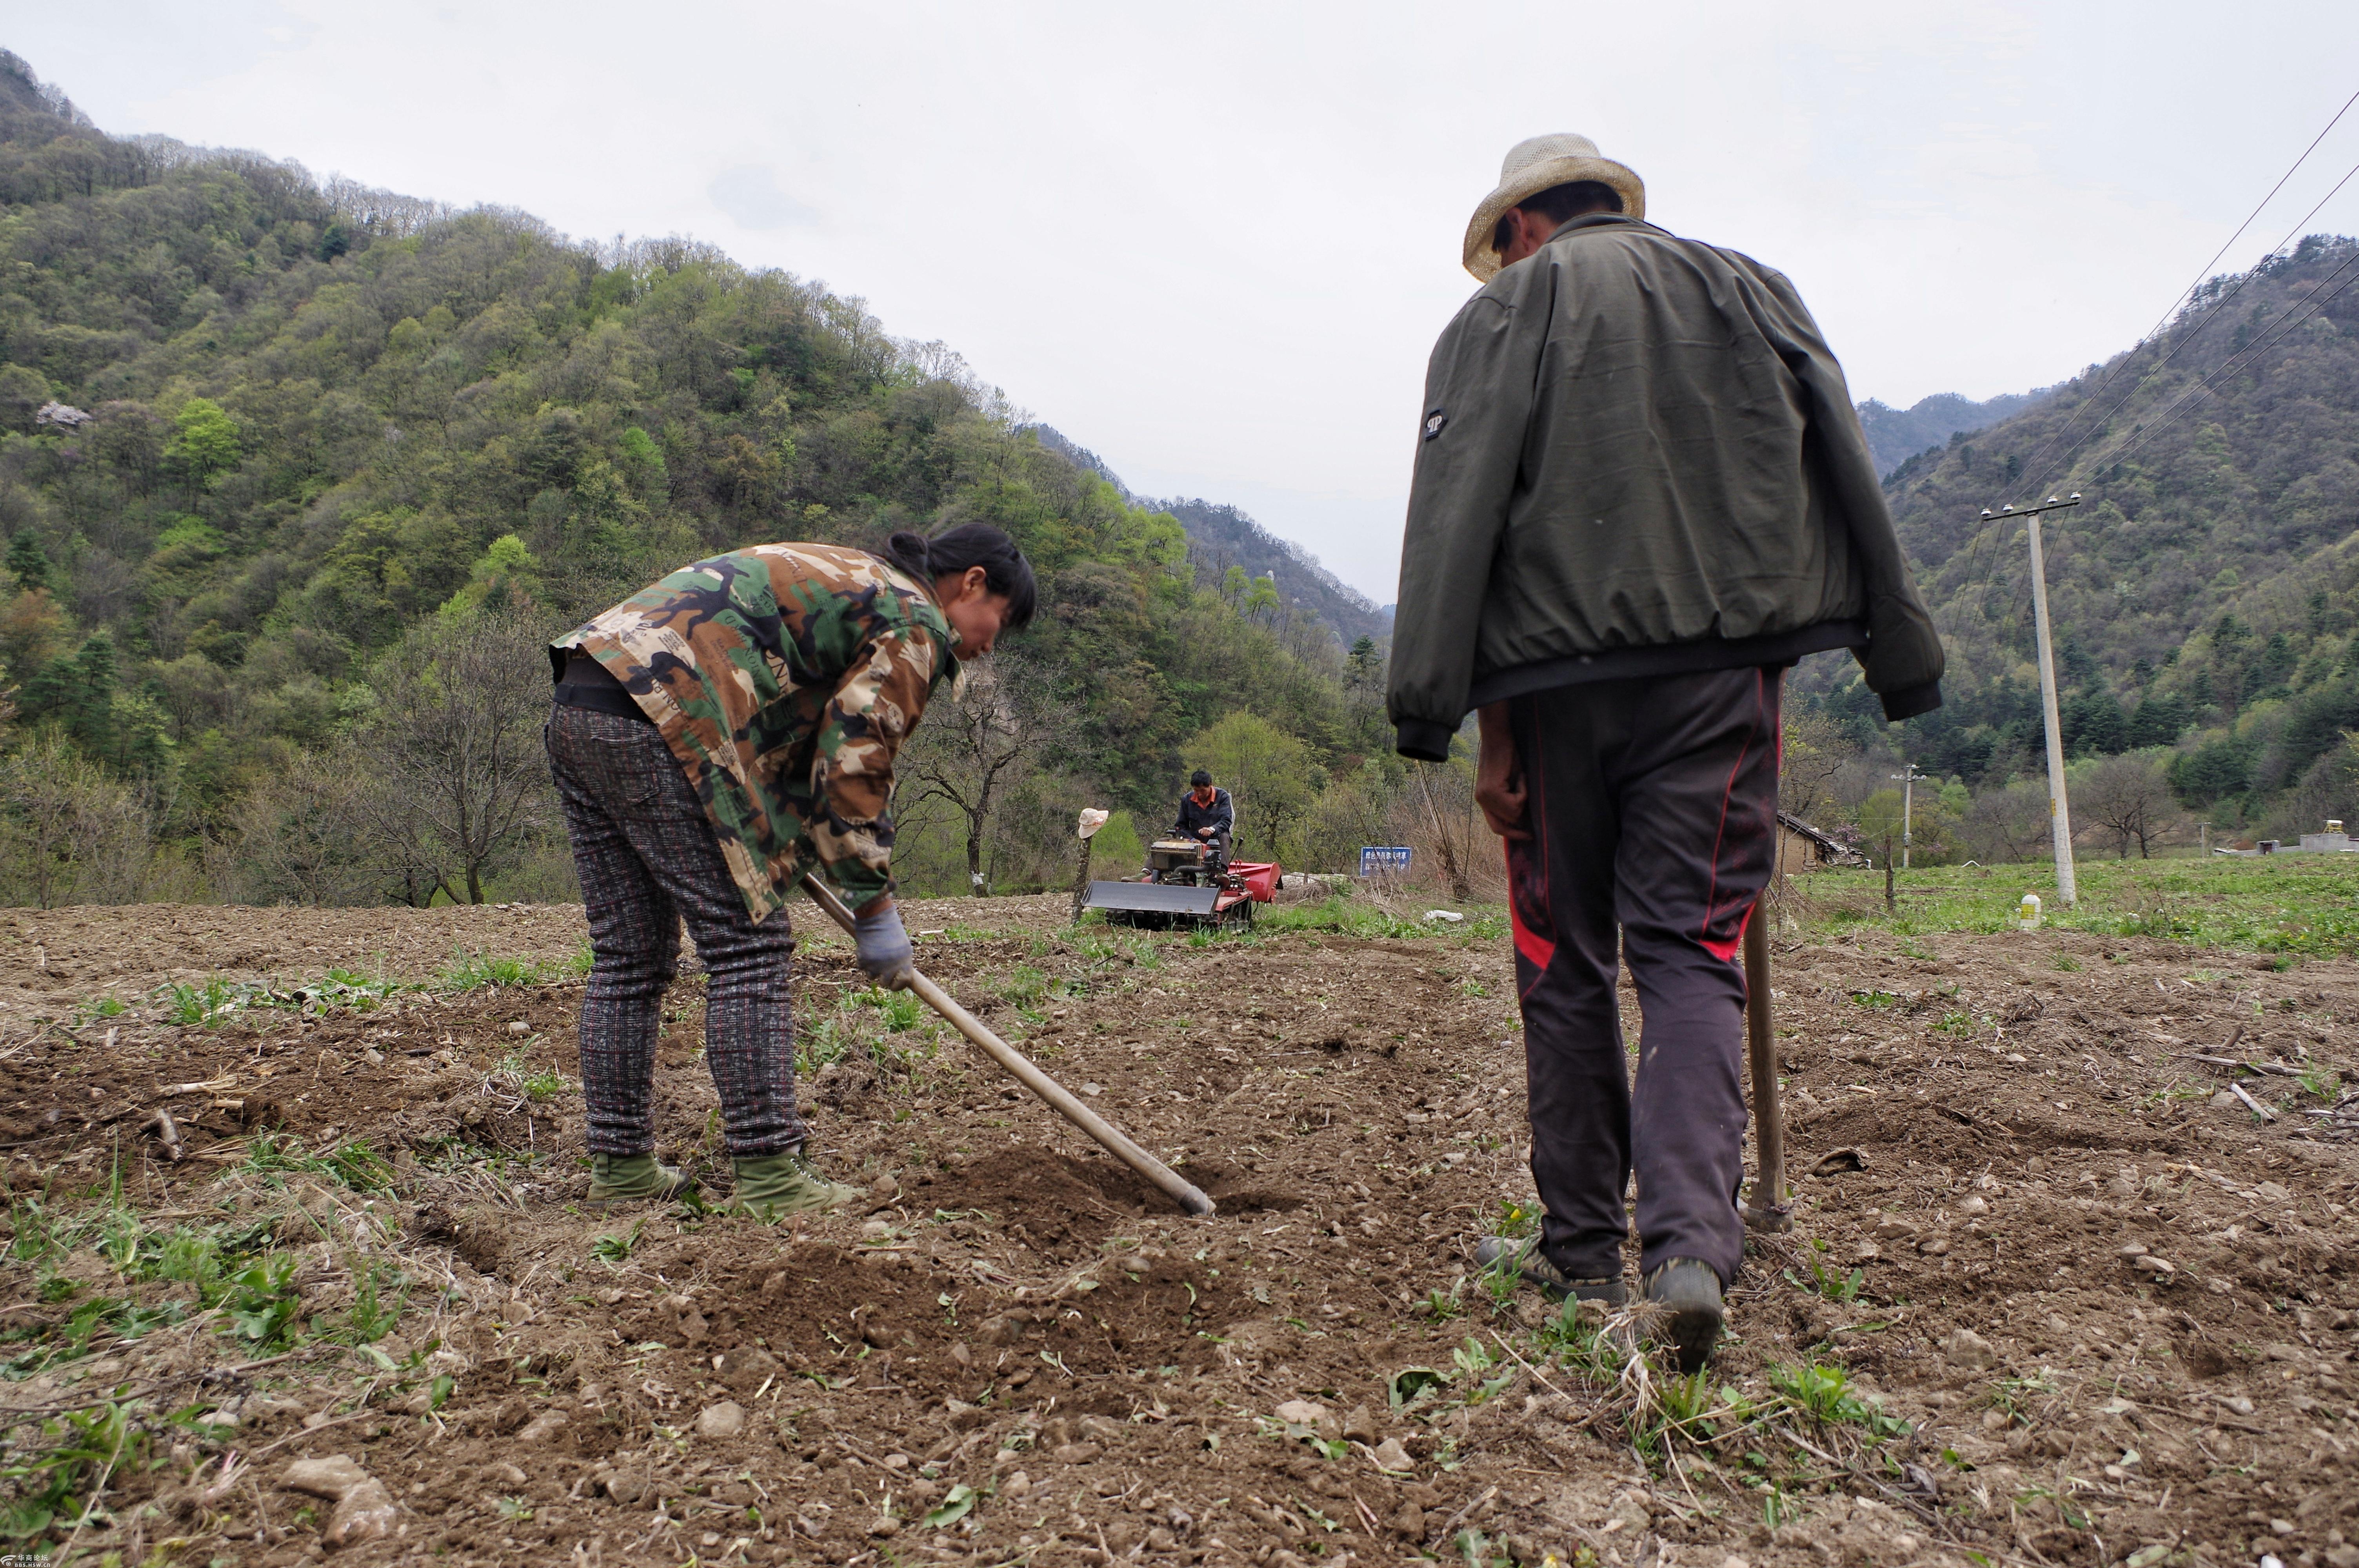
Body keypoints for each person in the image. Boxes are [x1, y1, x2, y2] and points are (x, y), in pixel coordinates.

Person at [1387, 134, 1943, 1371]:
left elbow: (1455, 512)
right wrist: (1898, 649)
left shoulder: (1499, 319)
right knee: (1691, 953)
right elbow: (1838, 447)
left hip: (1546, 695)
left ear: (1522, 226)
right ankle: (1689, 1251)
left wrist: (1446, 710)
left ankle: (1581, 1250)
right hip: (1721, 682)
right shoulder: (1752, 289)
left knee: (1560, 956)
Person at [546, 524, 1036, 1217]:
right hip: (664, 712)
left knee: (629, 956)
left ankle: (621, 1169)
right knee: (750, 949)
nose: (989, 646)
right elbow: (854, 767)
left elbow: (800, 750)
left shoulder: (854, 578)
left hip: (586, 697)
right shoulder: (913, 618)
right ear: (975, 583)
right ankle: (771, 1177)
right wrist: (875, 909)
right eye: (1001, 624)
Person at [1170, 769, 1233, 873]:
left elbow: (1226, 821)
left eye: (1203, 790)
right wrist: (1191, 839)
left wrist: (1212, 829)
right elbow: (1180, 826)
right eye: (1196, 790)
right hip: (1194, 838)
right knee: (1165, 842)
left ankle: (1222, 872)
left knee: (1225, 837)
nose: (1199, 794)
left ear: (1211, 785)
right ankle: (1146, 872)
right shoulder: (1187, 800)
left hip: (1217, 838)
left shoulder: (1223, 797)